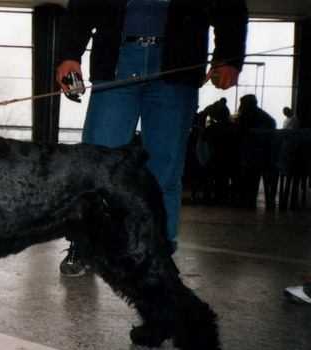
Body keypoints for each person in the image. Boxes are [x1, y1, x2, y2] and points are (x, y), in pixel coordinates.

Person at [56, 0, 248, 276]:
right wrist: (68, 54)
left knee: (166, 167)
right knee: (95, 164)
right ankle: (84, 244)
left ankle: (160, 249)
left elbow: (230, 5)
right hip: (118, 58)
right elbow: (82, 6)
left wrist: (229, 56)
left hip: (178, 62)